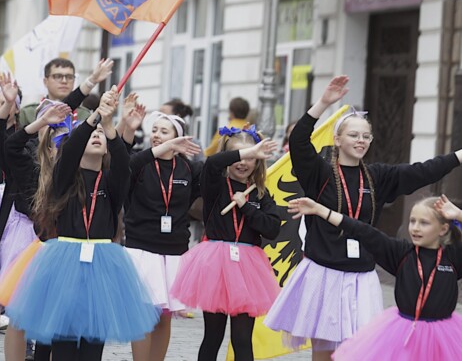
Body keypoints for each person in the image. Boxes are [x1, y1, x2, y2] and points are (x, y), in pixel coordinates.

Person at [263, 76, 462, 361]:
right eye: (353, 134)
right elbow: (298, 141)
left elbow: (423, 171)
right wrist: (324, 103)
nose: (360, 140)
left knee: (357, 350)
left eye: (365, 136)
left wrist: (458, 156)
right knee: (323, 349)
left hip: (361, 276)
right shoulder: (319, 173)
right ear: (337, 138)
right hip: (324, 272)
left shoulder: (378, 176)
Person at [6, 88, 159, 360]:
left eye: (100, 134)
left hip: (102, 263)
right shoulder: (63, 180)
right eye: (92, 133)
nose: (96, 135)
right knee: (64, 344)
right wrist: (95, 118)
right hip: (65, 261)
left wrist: (111, 126)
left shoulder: (111, 182)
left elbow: (124, 165)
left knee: (92, 348)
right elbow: (72, 149)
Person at [287, 195, 462, 360]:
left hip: (442, 336)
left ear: (443, 229)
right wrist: (320, 210)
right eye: (412, 221)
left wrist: (459, 215)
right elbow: (361, 230)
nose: (415, 228)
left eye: (424, 223)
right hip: (403, 332)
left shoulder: (453, 258)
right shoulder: (401, 253)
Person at [171, 127, 280, 361]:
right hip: (215, 265)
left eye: (251, 158)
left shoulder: (259, 193)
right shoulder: (215, 185)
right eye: (238, 156)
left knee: (242, 339)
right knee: (213, 336)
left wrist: (246, 206)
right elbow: (212, 163)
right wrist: (248, 150)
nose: (244, 163)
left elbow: (272, 228)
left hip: (248, 269)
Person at [122, 108, 203, 361]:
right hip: (141, 248)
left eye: (164, 131)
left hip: (174, 250)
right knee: (144, 313)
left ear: (179, 137)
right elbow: (124, 163)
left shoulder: (189, 169)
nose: (156, 135)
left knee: (163, 316)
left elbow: (212, 179)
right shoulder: (140, 161)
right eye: (154, 130)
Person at [18, 58, 113, 126]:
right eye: (58, 76)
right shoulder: (28, 113)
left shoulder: (85, 115)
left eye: (69, 77)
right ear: (45, 81)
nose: (64, 81)